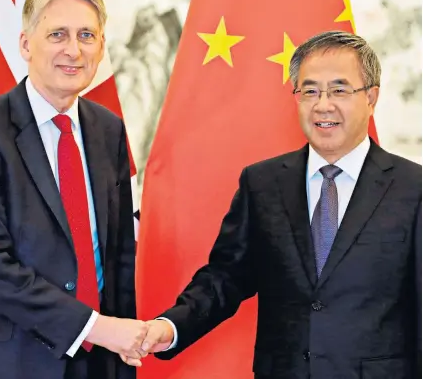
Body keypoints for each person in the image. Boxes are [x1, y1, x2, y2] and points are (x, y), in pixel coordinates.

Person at [137, 31, 422, 378]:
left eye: (339, 90)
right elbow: (226, 277)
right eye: (310, 91)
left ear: (371, 97)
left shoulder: (413, 187)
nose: (323, 104)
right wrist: (170, 327)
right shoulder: (263, 183)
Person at [0, 0, 147, 379]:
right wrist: (94, 327)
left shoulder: (108, 130)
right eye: (58, 34)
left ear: (101, 48)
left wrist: (119, 357)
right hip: (7, 359)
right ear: (25, 44)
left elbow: (120, 257)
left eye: (87, 35)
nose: (73, 50)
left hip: (97, 359)